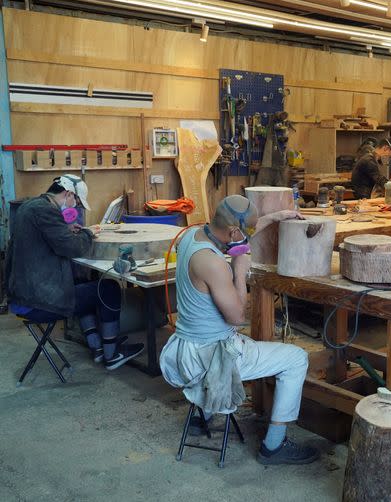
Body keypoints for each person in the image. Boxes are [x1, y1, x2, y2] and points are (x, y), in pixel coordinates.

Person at [159, 195, 319, 466]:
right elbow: (236, 317)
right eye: (244, 233)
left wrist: (276, 217)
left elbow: (239, 234)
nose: (247, 238)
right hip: (210, 360)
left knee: (246, 342)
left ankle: (205, 414)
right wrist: (239, 272)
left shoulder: (191, 237)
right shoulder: (214, 264)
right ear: (233, 232)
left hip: (183, 348)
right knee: (296, 358)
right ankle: (274, 445)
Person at [5, 174, 144, 369]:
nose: (75, 206)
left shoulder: (30, 206)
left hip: (21, 296)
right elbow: (73, 249)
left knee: (80, 280)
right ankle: (112, 355)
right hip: (36, 301)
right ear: (68, 193)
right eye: (76, 201)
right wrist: (87, 233)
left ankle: (97, 347)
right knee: (109, 288)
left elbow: (44, 236)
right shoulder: (45, 211)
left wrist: (65, 229)